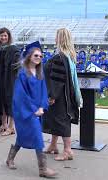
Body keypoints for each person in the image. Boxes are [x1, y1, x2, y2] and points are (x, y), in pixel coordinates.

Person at [6, 41, 57, 178]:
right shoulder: (23, 74)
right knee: (37, 137)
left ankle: (10, 158)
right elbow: (20, 95)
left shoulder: (40, 73)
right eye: (36, 55)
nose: (39, 58)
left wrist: (41, 106)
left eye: (41, 56)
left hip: (37, 111)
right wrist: (33, 109)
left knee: (23, 137)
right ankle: (43, 169)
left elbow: (43, 92)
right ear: (29, 56)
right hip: (25, 112)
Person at [43, 28, 83, 161]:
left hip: (60, 97)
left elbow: (57, 79)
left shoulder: (60, 57)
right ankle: (53, 145)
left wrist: (52, 95)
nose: (54, 38)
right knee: (56, 120)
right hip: (65, 94)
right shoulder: (67, 56)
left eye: (56, 36)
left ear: (60, 39)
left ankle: (67, 150)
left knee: (62, 121)